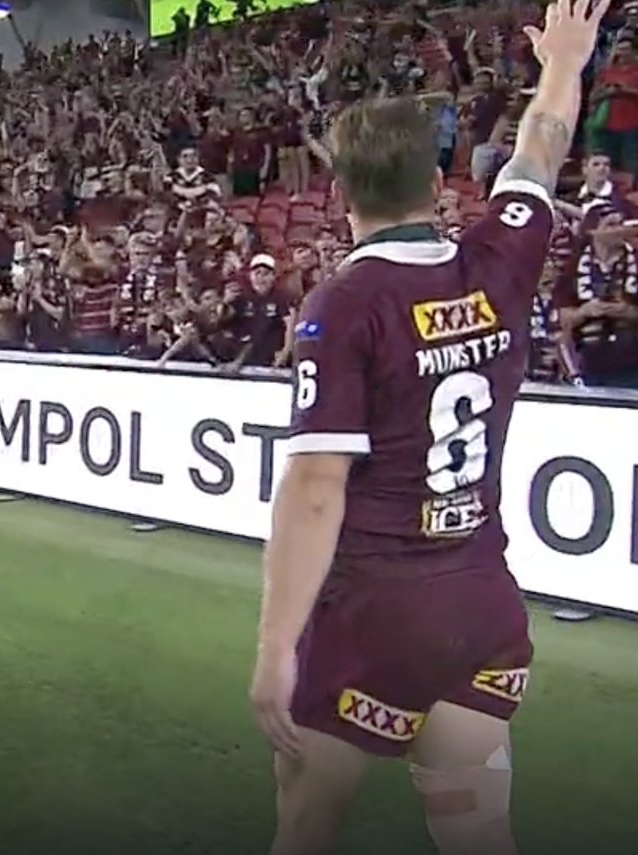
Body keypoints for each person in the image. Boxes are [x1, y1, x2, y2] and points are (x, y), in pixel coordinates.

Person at [248, 2, 605, 855]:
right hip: (482, 605)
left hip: (377, 611)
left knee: (305, 825)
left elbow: (315, 489)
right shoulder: (498, 259)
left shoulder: (345, 304)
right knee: (477, 830)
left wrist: (275, 646)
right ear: (440, 187)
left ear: (340, 196)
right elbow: (541, 149)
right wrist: (564, 63)